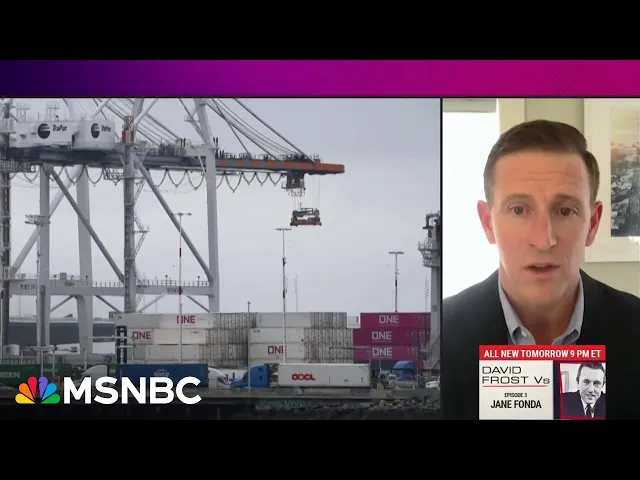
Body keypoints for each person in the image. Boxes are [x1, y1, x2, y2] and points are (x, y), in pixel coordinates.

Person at [441, 119, 640, 420]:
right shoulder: (440, 338)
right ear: (487, 223)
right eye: (519, 210)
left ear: (592, 224)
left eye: (565, 211)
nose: (543, 240)